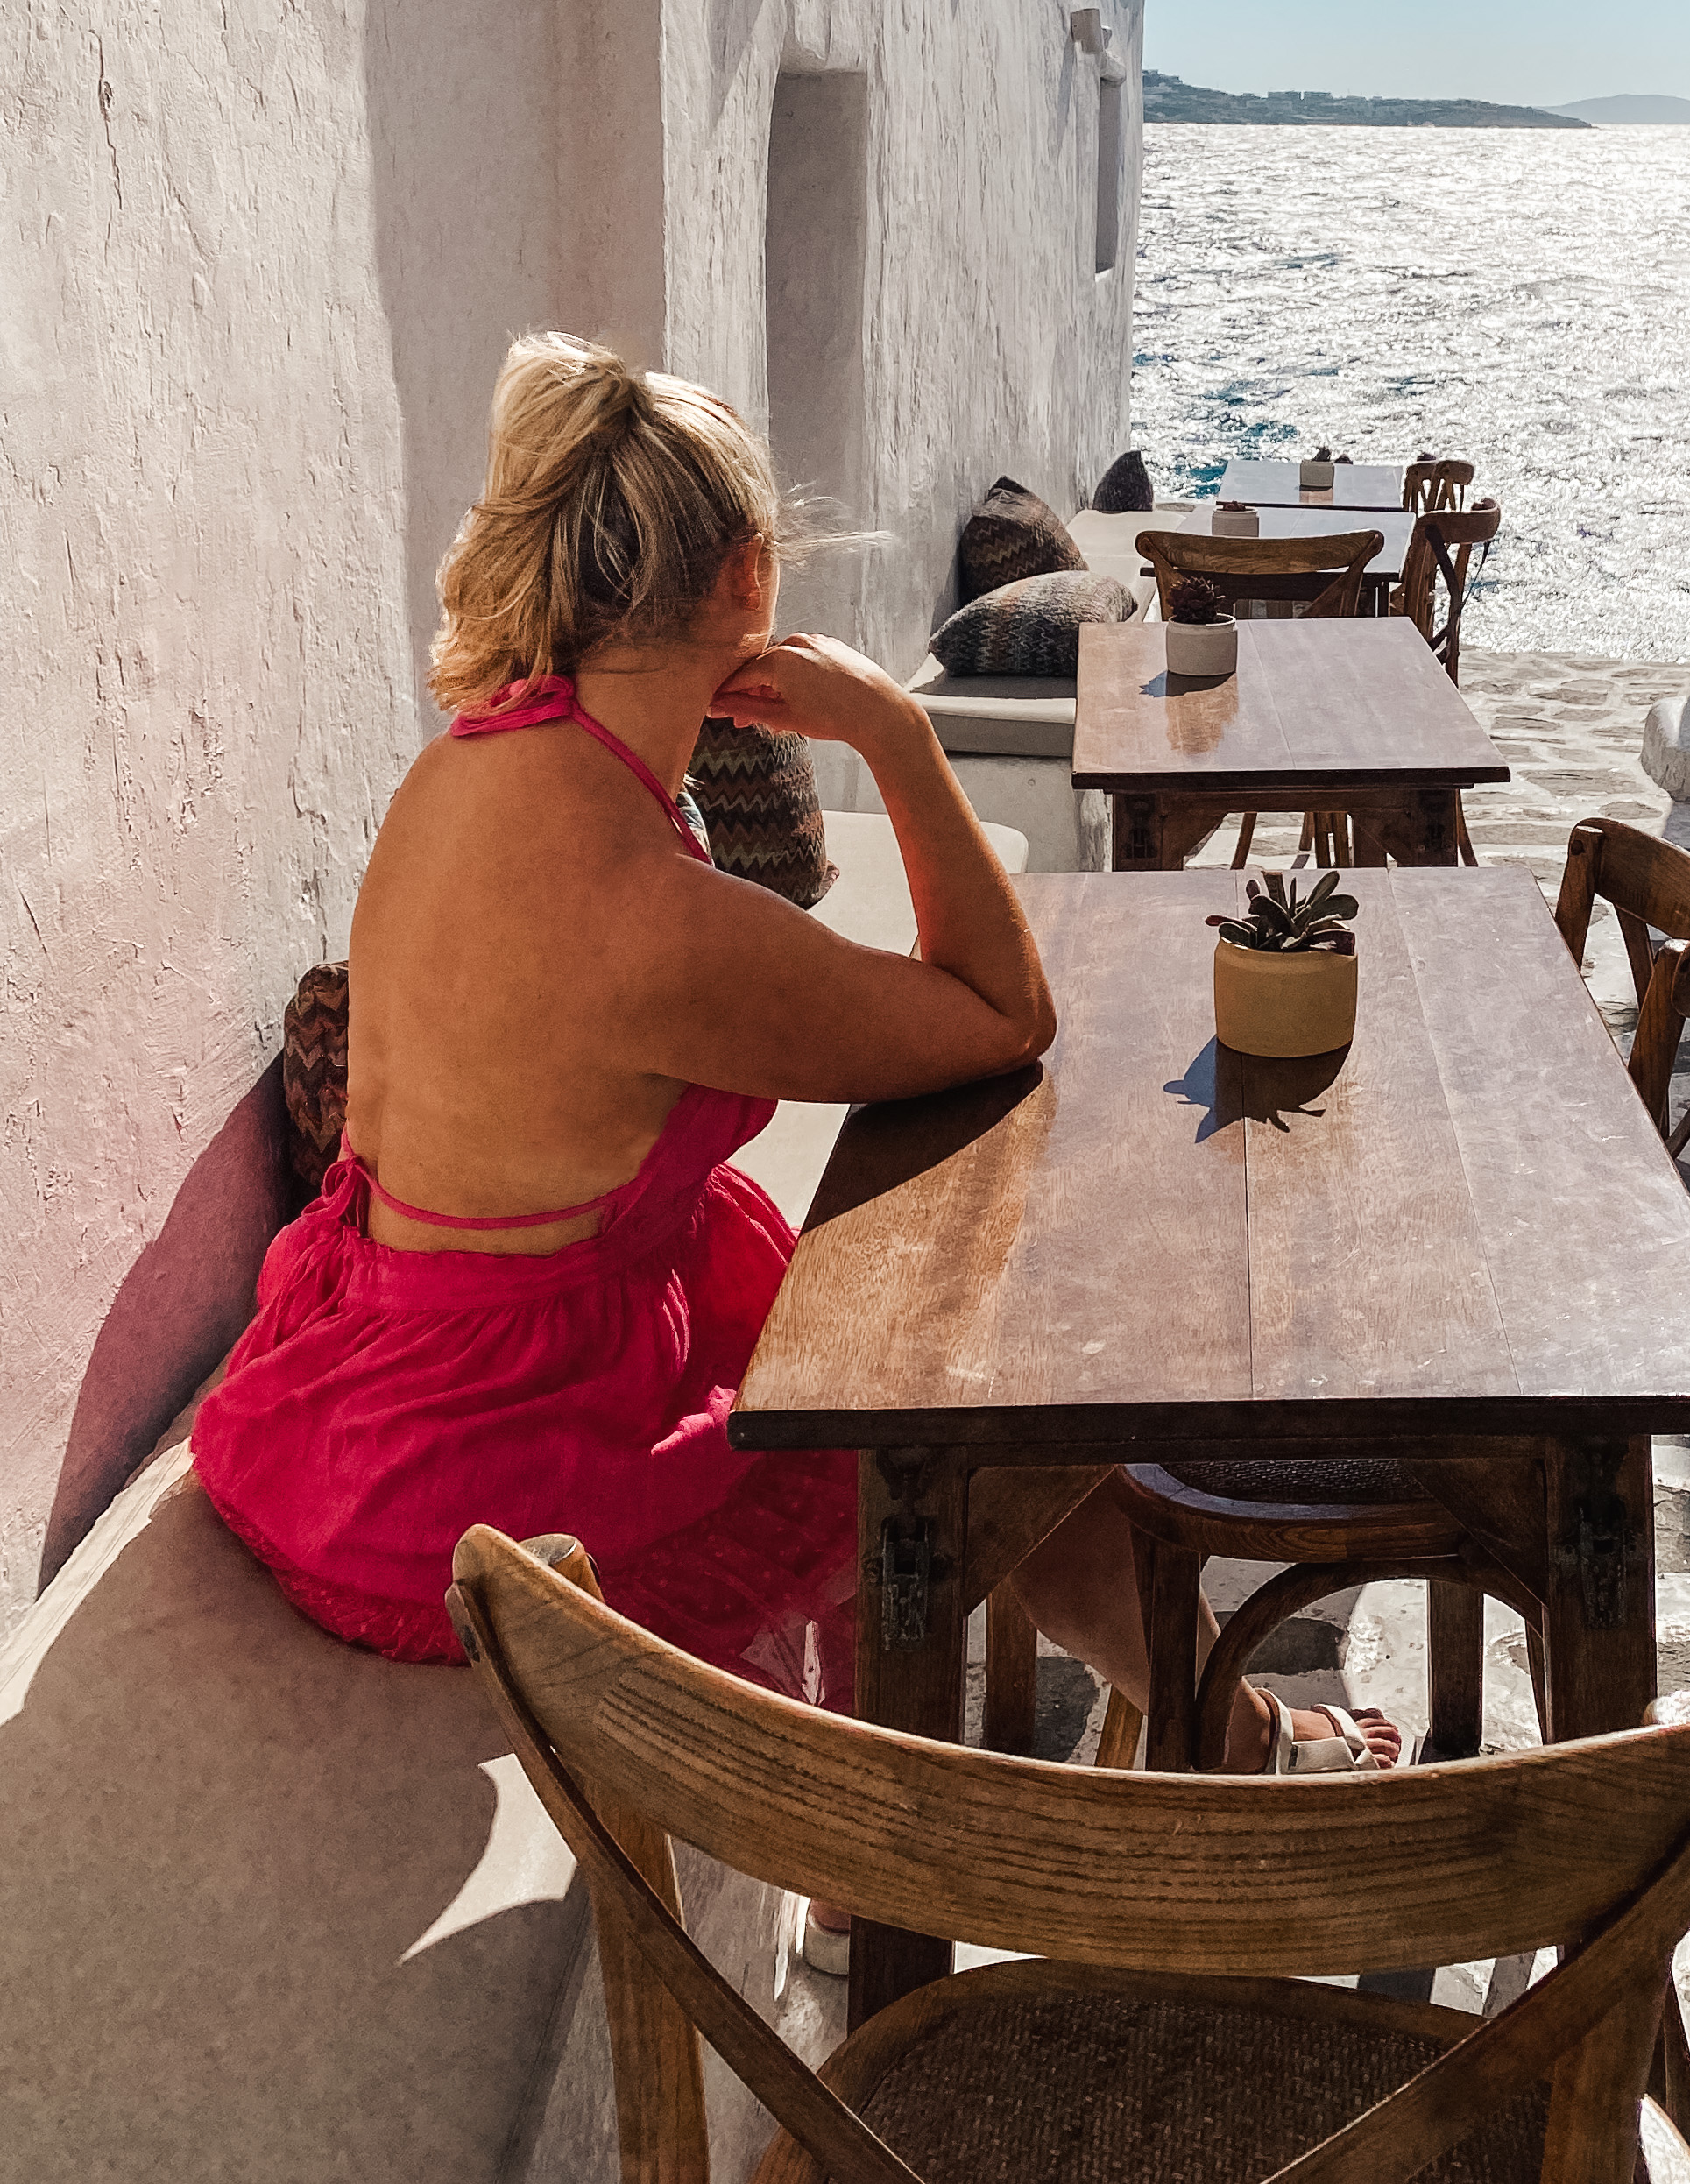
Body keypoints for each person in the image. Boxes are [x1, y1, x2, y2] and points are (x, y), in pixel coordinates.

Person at [193, 333, 1393, 1864]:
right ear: (749, 581)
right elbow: (1001, 1012)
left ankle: (1163, 1750)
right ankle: (1111, 1792)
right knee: (1000, 1413)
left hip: (362, 1381)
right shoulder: (642, 904)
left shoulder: (478, 762)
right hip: (491, 1473)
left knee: (940, 1356)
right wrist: (894, 726)